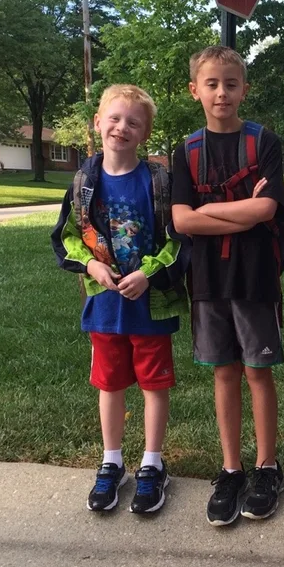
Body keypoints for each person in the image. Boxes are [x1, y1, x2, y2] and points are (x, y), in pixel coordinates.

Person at [51, 84, 188, 515]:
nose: (121, 127)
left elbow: (178, 239)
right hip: (105, 308)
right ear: (97, 122)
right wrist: (91, 267)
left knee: (153, 383)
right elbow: (68, 237)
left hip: (150, 305)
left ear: (145, 132)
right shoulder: (83, 183)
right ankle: (112, 461)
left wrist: (149, 275)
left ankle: (152, 462)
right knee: (109, 384)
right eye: (113, 118)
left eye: (133, 121)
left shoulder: (158, 182)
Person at [171, 45, 284, 527]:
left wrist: (206, 214)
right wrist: (235, 214)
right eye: (212, 83)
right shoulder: (186, 150)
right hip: (208, 280)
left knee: (258, 373)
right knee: (224, 372)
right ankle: (231, 468)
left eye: (232, 83)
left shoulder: (264, 143)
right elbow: (180, 221)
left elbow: (266, 210)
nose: (222, 92)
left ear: (245, 88)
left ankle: (267, 467)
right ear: (194, 89)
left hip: (255, 277)